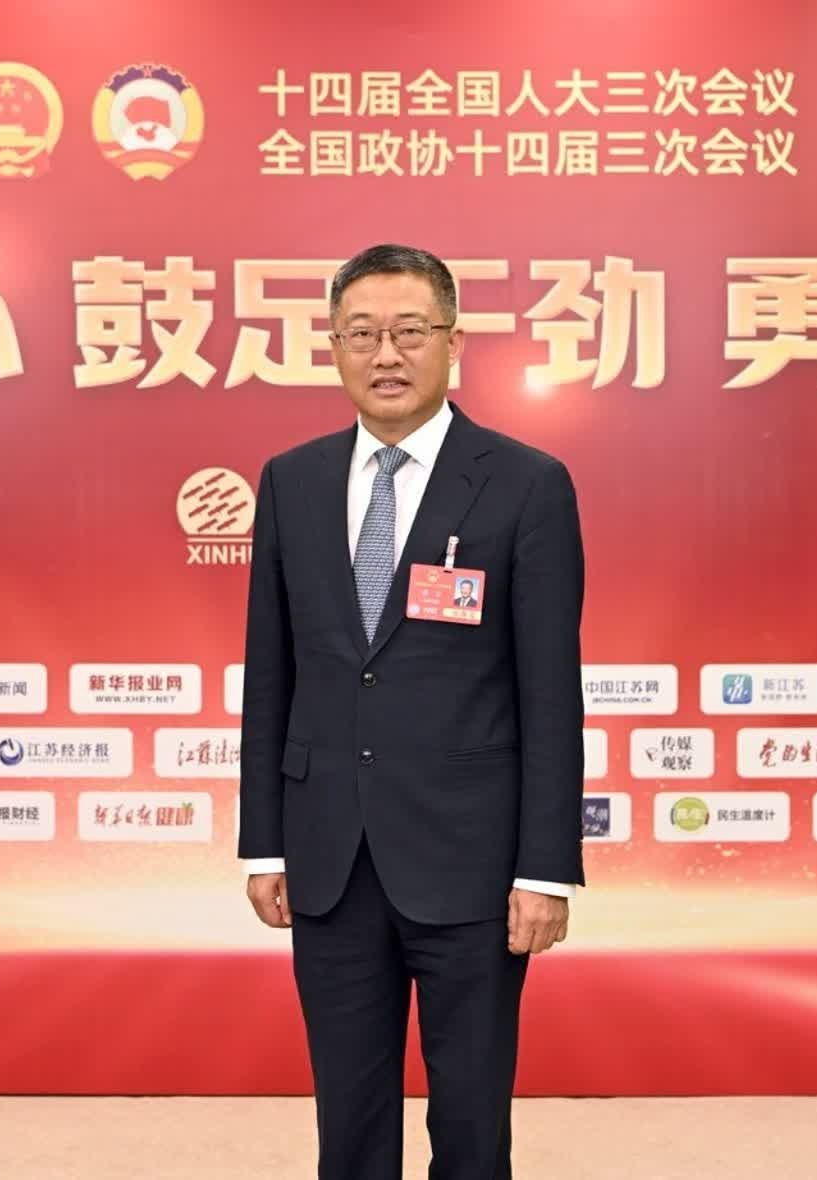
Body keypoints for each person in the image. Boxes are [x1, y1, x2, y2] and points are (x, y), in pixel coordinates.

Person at [238, 243, 586, 1179]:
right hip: (330, 856)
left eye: (409, 332)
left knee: (470, 1120)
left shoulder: (525, 483)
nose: (385, 355)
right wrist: (264, 846)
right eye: (361, 334)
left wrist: (545, 870)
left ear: (453, 343)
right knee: (348, 1122)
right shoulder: (293, 481)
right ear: (334, 347)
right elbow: (272, 675)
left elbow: (551, 693)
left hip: (472, 862)